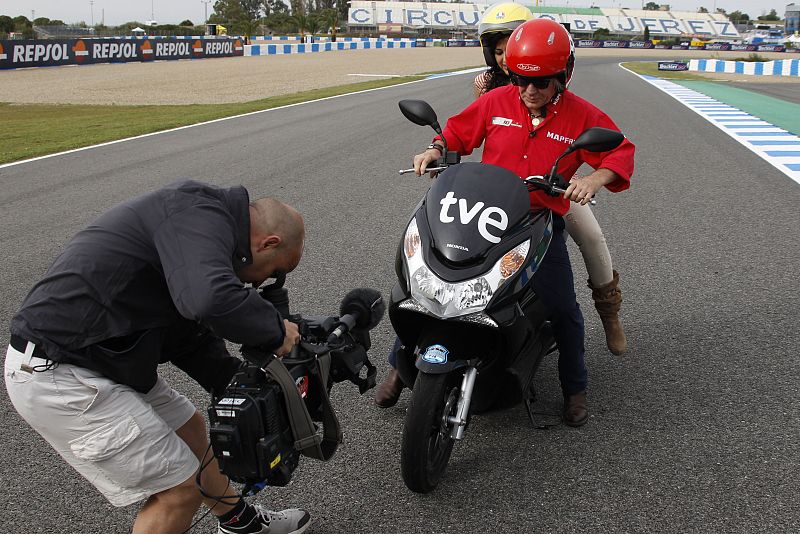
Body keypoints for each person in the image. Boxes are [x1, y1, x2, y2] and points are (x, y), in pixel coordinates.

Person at [5, 180, 311, 534]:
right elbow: (208, 301)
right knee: (179, 491)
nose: (263, 284)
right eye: (274, 271)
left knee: (192, 433)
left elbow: (185, 335)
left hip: (104, 360)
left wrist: (234, 382)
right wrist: (275, 331)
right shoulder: (200, 216)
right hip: (59, 371)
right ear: (268, 243)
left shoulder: (199, 225)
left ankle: (241, 523)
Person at [375, 19, 635, 426]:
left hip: (537, 224)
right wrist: (434, 148)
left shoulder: (582, 115)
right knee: (431, 286)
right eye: (520, 80)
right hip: (482, 214)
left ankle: (575, 387)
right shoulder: (496, 101)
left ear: (564, 75)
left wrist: (592, 178)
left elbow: (620, 150)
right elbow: (458, 132)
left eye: (542, 82)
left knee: (563, 307)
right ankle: (398, 365)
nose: (529, 91)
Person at [475, 4, 628, 357]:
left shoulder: (557, 82)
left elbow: (612, 144)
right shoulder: (486, 86)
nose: (503, 58)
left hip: (550, 187)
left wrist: (592, 179)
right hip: (500, 191)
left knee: (590, 237)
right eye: (498, 51)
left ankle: (608, 310)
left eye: (509, 46)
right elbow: (474, 129)